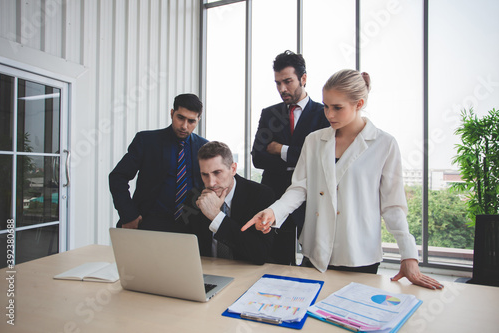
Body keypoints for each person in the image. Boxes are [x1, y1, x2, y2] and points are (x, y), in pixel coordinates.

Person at [243, 69, 443, 289]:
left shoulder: (384, 144)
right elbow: (299, 188)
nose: (329, 115)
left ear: (359, 104)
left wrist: (409, 255)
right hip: (315, 250)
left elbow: (392, 206)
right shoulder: (314, 140)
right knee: (309, 317)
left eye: (337, 108)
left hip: (359, 254)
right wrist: (273, 212)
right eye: (326, 106)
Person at [252, 50, 329, 265]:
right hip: (275, 196)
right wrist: (301, 152)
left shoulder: (324, 114)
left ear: (303, 78)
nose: (282, 89)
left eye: (287, 81)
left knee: (315, 261)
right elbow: (258, 158)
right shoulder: (269, 114)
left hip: (311, 197)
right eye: (277, 83)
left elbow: (319, 160)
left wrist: (280, 149)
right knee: (277, 263)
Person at [109, 93, 208, 232]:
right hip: (149, 222)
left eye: (191, 121)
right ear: (172, 113)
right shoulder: (146, 141)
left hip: (189, 225)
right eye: (180, 118)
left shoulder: (204, 148)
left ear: (198, 119)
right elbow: (117, 176)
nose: (184, 126)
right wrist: (129, 214)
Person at [183, 141, 275, 265]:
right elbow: (186, 249)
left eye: (217, 173)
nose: (210, 183)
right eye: (205, 175)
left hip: (247, 273)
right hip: (208, 273)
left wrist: (216, 216)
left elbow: (260, 254)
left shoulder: (261, 195)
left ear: (233, 169)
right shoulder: (194, 198)